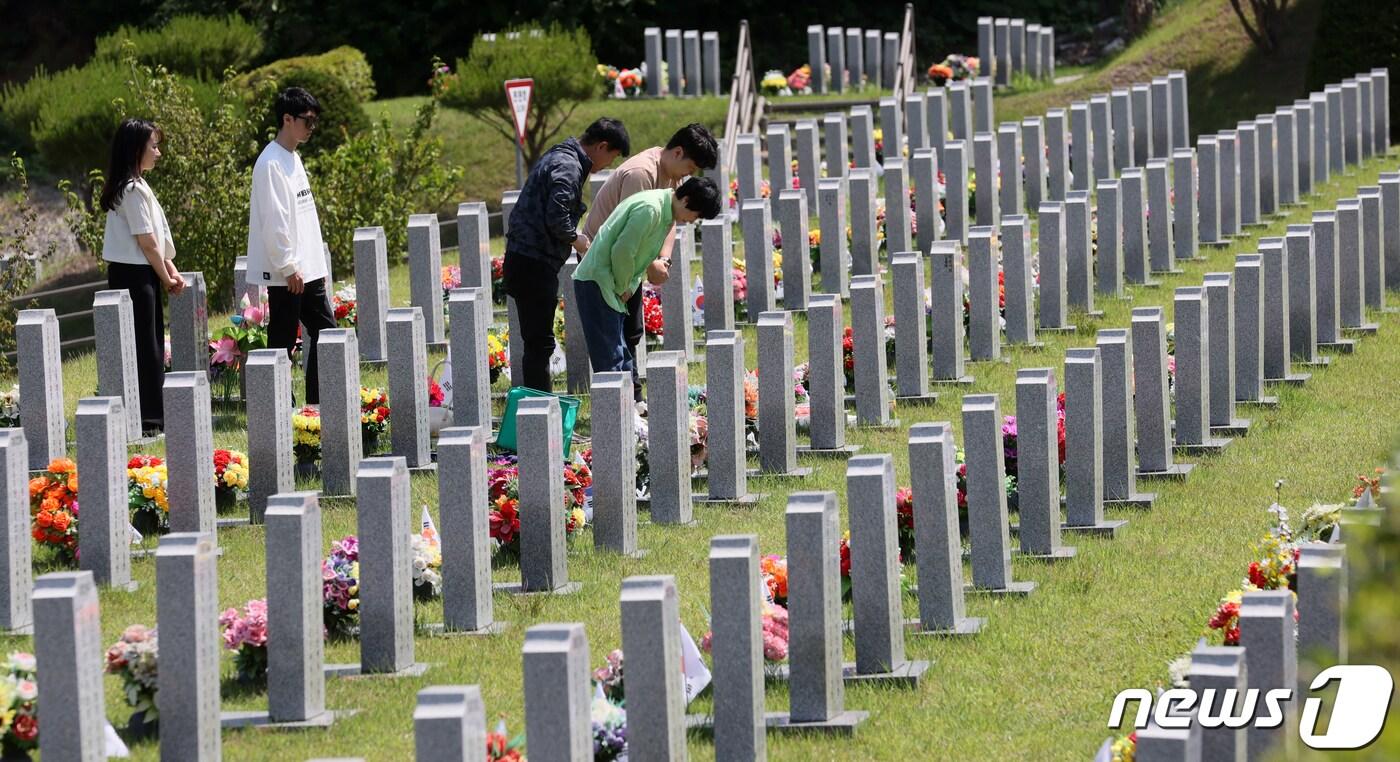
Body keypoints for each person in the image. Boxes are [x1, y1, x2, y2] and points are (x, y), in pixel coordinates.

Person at [579, 123, 718, 386]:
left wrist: (662, 259)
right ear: (677, 152)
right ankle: (623, 399)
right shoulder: (641, 174)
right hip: (603, 263)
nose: (689, 175)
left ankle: (631, 395)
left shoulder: (674, 175)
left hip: (628, 263)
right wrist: (642, 269)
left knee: (630, 332)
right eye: (691, 168)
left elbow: (670, 219)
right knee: (613, 337)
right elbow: (629, 237)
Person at [502, 118, 630, 392]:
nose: (607, 165)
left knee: (538, 341)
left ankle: (539, 409)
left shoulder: (560, 154)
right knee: (539, 343)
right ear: (601, 146)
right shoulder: (569, 167)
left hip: (526, 258)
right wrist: (579, 240)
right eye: (612, 157)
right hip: (534, 263)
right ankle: (538, 412)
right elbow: (557, 218)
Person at [247, 87, 337, 406]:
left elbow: (303, 219)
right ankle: (277, 407)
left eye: (314, 122)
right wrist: (288, 266)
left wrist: (315, 268)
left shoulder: (293, 157)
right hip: (290, 273)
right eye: (307, 121)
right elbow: (275, 221)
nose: (311, 128)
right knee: (283, 341)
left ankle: (318, 401)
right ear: (287, 119)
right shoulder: (270, 163)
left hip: (305, 270)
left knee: (327, 334)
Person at [99, 117, 183, 435]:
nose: (158, 153)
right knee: (144, 345)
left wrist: (170, 271)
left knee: (152, 343)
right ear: (137, 149)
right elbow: (146, 242)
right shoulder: (131, 190)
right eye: (154, 146)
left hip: (143, 272)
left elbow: (157, 240)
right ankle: (149, 417)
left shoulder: (139, 184)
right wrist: (166, 277)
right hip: (133, 275)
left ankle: (153, 412)